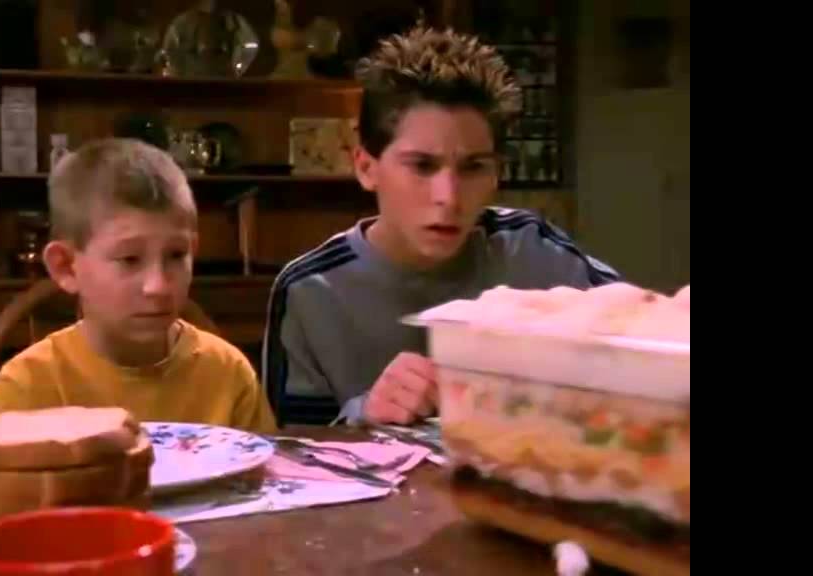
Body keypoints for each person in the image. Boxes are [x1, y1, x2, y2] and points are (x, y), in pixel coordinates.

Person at [263, 27, 618, 427]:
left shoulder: (533, 251)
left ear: (496, 173)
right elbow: (291, 451)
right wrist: (366, 412)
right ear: (365, 168)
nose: (448, 197)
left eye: (473, 167)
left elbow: (647, 331)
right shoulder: (309, 291)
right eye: (422, 166)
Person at [0, 138, 276, 433]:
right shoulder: (26, 388)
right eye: (129, 259)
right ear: (66, 266)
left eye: (176, 255)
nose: (159, 286)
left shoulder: (230, 376)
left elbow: (267, 462)